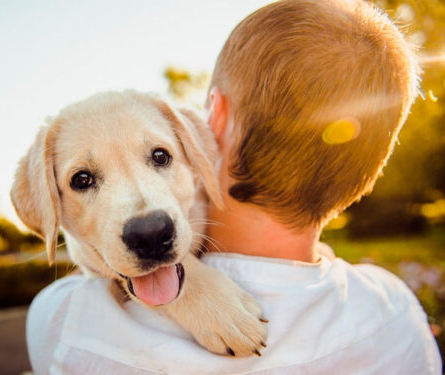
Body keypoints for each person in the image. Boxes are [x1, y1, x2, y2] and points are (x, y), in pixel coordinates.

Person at [26, 0, 442, 373]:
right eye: (84, 180)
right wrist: (190, 287)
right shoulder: (396, 312)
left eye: (159, 157)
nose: (145, 214)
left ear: (214, 120)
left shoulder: (66, 324)